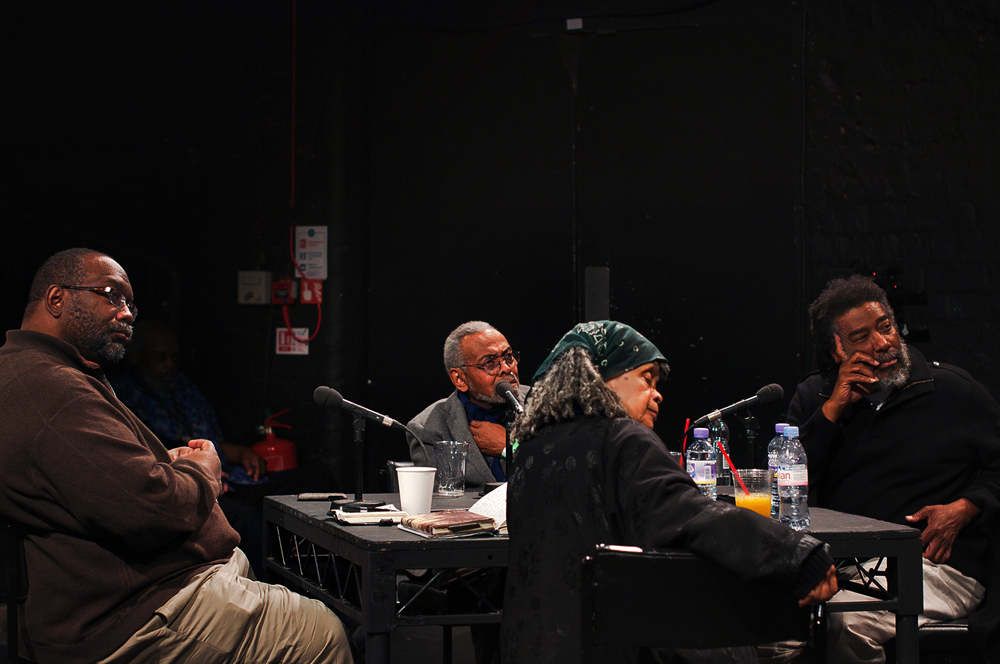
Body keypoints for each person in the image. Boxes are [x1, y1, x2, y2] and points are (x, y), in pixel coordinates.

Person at [0, 248, 353, 664]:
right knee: (322, 633)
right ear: (56, 299)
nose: (126, 314)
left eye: (130, 302)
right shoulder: (50, 387)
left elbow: (94, 476)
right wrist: (199, 468)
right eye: (111, 295)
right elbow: (149, 506)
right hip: (129, 614)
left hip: (154, 586)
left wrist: (163, 461)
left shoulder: (45, 374)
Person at [501, 320, 838, 664]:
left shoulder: (530, 449)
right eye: (647, 378)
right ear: (598, 376)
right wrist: (795, 555)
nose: (658, 393)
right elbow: (689, 515)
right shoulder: (622, 438)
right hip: (613, 647)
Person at [787, 275, 1000, 663]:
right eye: (861, 337)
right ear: (836, 349)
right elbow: (790, 487)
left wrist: (966, 506)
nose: (882, 343)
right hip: (845, 563)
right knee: (766, 625)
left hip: (939, 566)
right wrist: (833, 411)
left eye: (885, 326)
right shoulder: (813, 399)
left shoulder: (953, 390)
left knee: (847, 623)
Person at [110, 319, 338, 575]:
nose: (170, 364)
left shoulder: (183, 387)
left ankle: (328, 573)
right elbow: (165, 451)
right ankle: (283, 582)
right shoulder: (125, 395)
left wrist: (239, 452)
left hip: (234, 474)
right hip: (198, 485)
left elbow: (206, 437)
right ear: (137, 358)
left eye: (174, 357)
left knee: (317, 479)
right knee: (248, 519)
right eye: (160, 357)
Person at [407, 321, 529, 491]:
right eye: (489, 363)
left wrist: (509, 446)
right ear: (460, 379)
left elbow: (566, 469)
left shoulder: (548, 404)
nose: (506, 368)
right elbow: (440, 503)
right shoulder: (429, 428)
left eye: (508, 356)